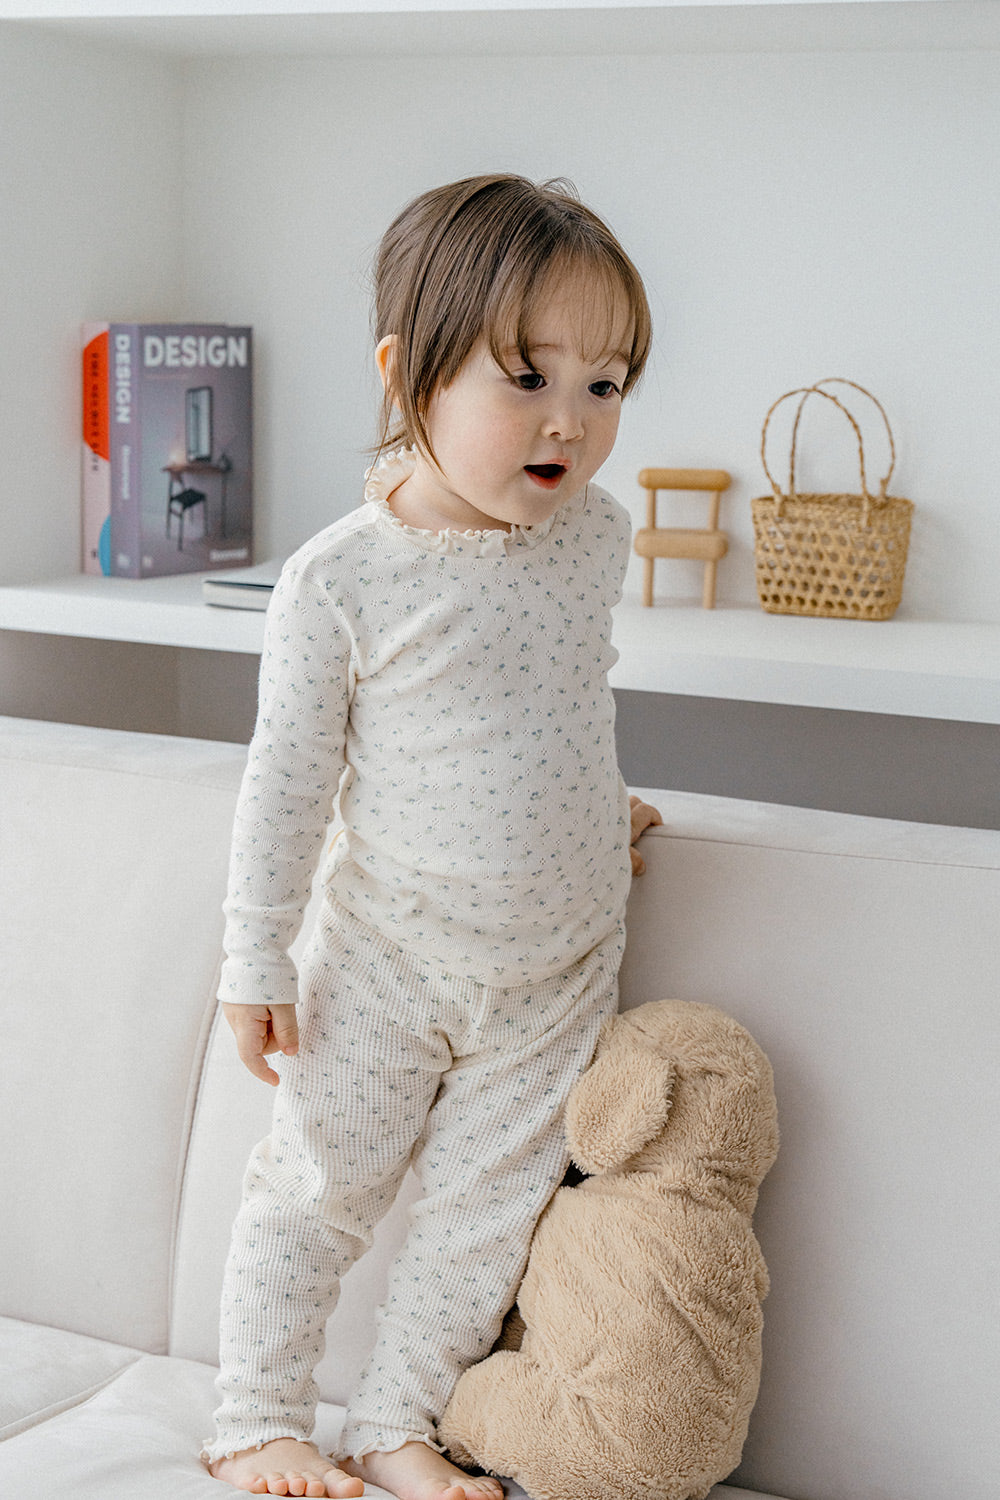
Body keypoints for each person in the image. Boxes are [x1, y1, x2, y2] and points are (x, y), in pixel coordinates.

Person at [203, 173, 661, 1500]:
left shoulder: (595, 539)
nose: (570, 424)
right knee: (315, 1191)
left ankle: (399, 1421)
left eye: (607, 384)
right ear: (409, 374)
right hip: (389, 957)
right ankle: (257, 1416)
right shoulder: (341, 579)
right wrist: (256, 958)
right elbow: (284, 785)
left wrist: (593, 812)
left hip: (558, 970)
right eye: (527, 376)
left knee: (481, 1226)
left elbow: (565, 701)